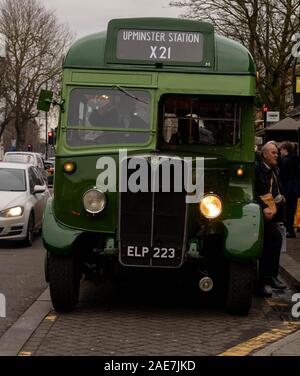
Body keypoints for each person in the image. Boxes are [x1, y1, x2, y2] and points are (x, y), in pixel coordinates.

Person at [255, 141, 286, 297]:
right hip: (259, 214)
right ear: (265, 154)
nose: (276, 155)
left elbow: (277, 189)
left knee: (273, 242)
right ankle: (264, 281)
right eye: (273, 153)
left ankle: (268, 279)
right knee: (271, 242)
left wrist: (280, 198)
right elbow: (252, 192)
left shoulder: (275, 170)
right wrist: (262, 207)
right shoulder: (257, 169)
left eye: (277, 153)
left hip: (272, 214)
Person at [279, 141, 300, 238]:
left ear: (285, 149)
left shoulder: (286, 161)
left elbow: (282, 176)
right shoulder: (295, 159)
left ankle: (290, 230)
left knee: (289, 210)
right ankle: (290, 230)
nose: (280, 152)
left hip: (288, 188)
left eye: (281, 150)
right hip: (295, 188)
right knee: (292, 209)